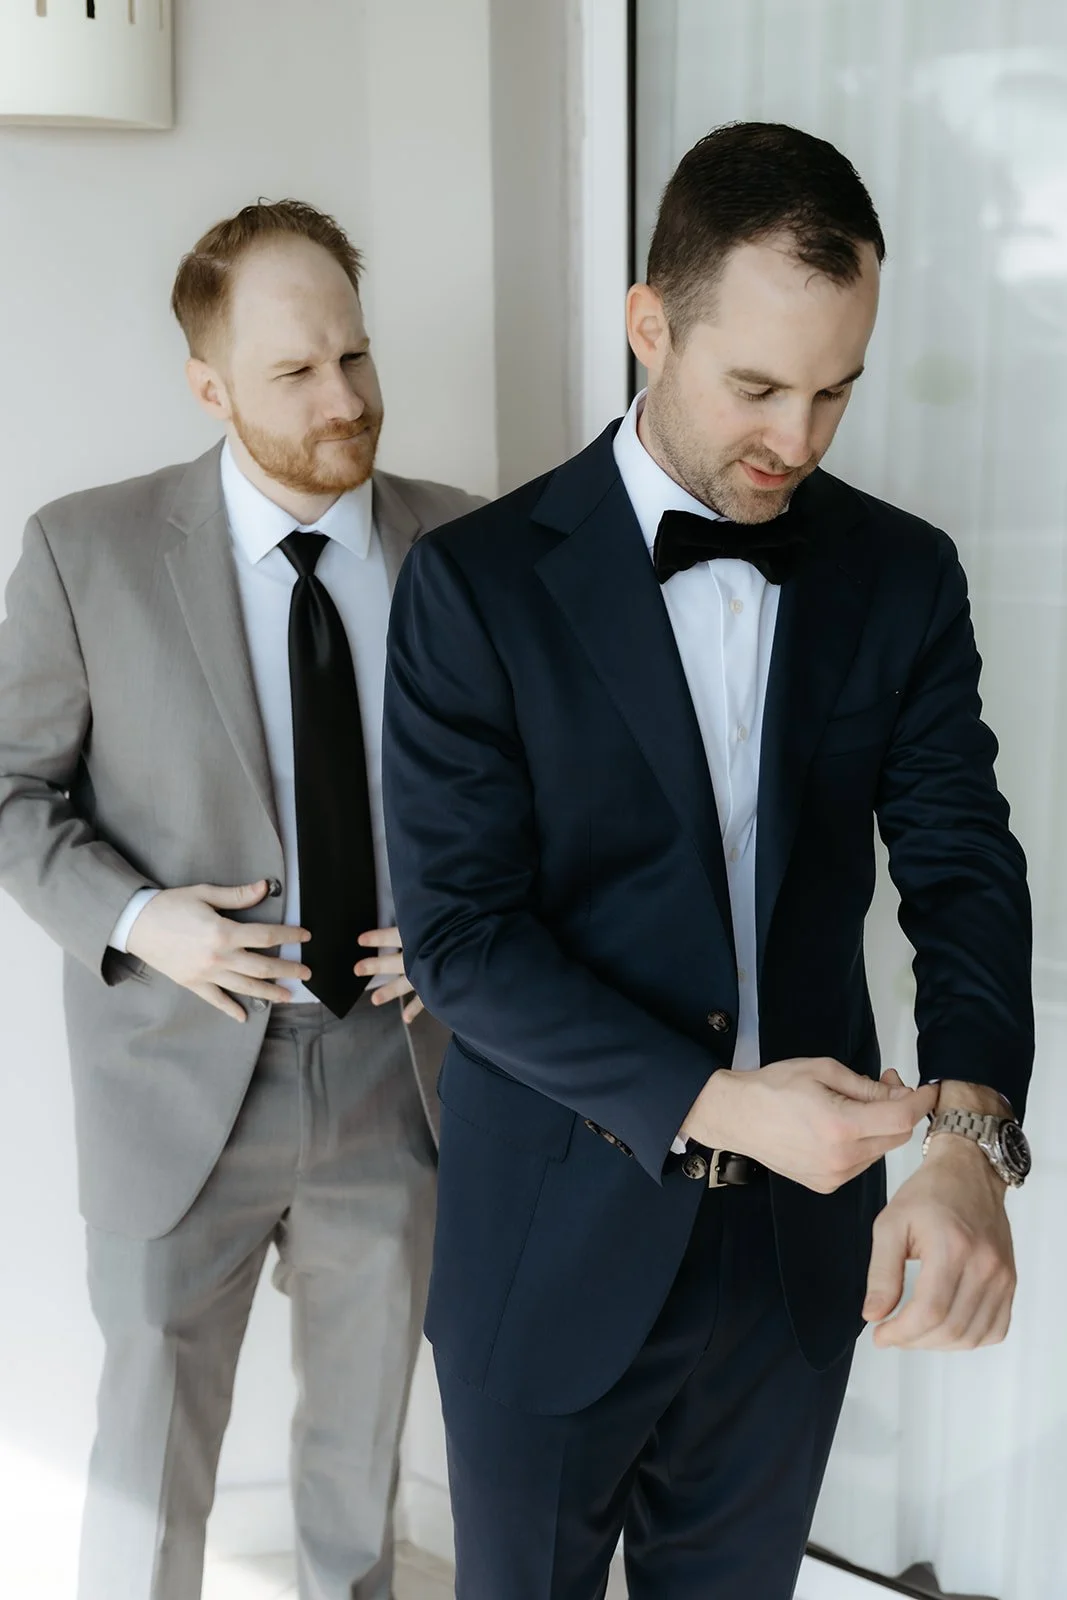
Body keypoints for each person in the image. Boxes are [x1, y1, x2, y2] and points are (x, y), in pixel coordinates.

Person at [381, 123, 1034, 1599]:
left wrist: (967, 1139)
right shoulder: (474, 587)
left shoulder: (903, 576)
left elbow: (962, 869)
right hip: (550, 1244)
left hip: (799, 1266)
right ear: (649, 325)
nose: (798, 438)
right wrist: (722, 1103)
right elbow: (464, 942)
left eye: (835, 390)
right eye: (756, 386)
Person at [0, 199, 481, 1600]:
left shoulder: (472, 549)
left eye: (355, 355)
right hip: (173, 1080)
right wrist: (143, 919)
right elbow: (11, 792)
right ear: (209, 388)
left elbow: (554, 805)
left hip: (397, 1076)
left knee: (356, 1485)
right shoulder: (85, 551)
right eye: (295, 372)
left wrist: (466, 933)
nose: (346, 399)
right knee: (144, 1482)